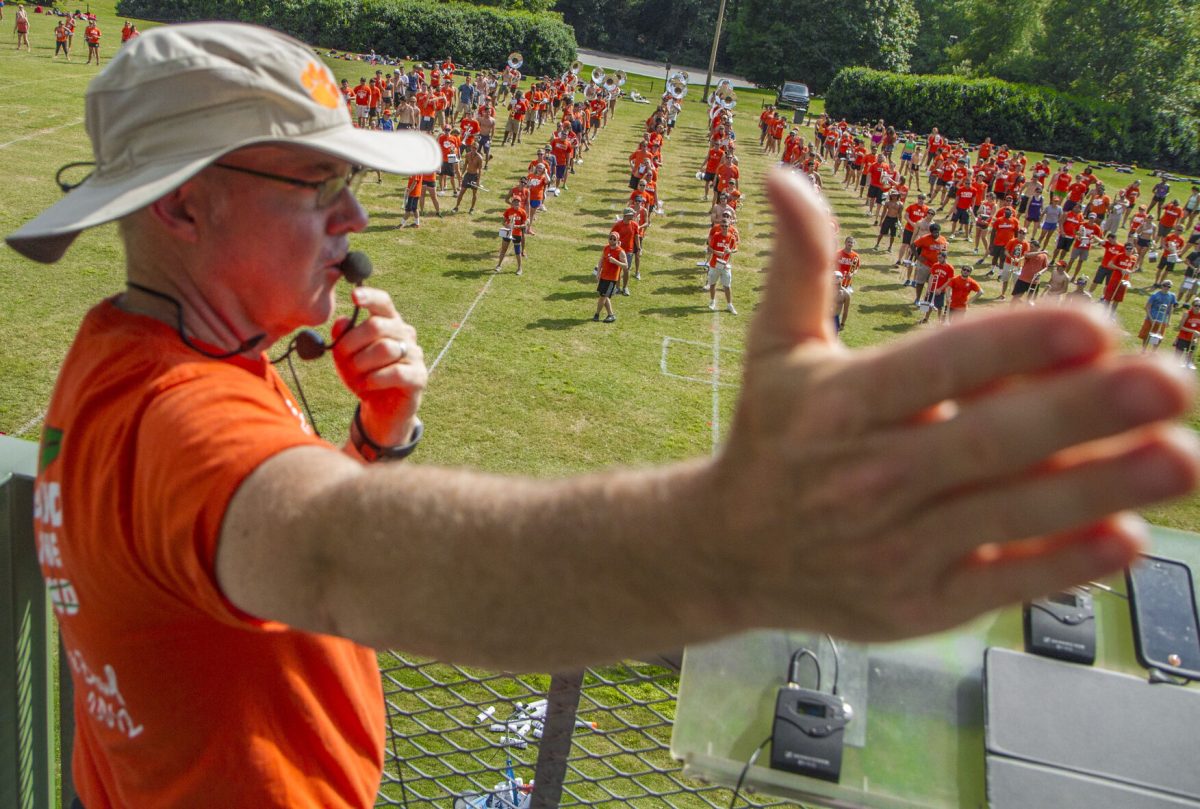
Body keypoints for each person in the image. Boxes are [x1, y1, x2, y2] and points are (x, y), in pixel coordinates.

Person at [7, 24, 1198, 809]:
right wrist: (725, 544)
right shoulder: (178, 420)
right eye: (315, 183)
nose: (351, 216)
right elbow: (328, 551)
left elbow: (246, 556)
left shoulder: (141, 355)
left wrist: (380, 435)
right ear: (180, 211)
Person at [593, 232, 625, 322]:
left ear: (618, 240)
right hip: (604, 276)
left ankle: (597, 314)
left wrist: (616, 261)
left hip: (611, 279)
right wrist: (598, 272)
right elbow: (601, 260)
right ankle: (611, 315)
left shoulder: (620, 251)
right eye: (610, 238)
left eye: (614, 239)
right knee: (604, 296)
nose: (612, 240)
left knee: (602, 297)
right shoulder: (606, 248)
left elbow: (626, 265)